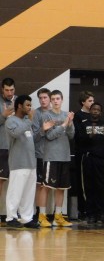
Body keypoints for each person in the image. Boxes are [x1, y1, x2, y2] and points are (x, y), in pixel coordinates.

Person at [39, 90, 75, 227]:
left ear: (62, 99)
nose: (55, 101)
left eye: (57, 98)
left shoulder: (66, 115)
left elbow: (71, 135)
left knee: (62, 188)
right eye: (53, 98)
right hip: (51, 157)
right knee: (46, 187)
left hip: (65, 156)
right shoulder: (46, 115)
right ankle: (42, 216)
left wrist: (70, 124)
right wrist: (64, 125)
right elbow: (49, 135)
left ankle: (58, 216)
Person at [76, 103, 104, 228]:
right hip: (87, 159)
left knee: (101, 188)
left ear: (101, 112)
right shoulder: (84, 124)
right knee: (87, 187)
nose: (95, 111)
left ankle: (101, 213)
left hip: (101, 160)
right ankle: (90, 213)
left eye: (98, 109)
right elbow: (78, 140)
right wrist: (89, 137)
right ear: (90, 111)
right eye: (93, 109)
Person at [4, 95, 37, 229]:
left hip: (31, 163)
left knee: (28, 193)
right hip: (18, 163)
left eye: (30, 105)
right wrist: (29, 121)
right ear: (19, 106)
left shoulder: (26, 121)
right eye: (27, 105)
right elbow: (16, 133)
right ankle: (11, 217)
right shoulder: (11, 121)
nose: (30, 108)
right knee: (15, 191)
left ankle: (26, 218)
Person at [31, 88, 54, 227]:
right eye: (40, 98)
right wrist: (42, 130)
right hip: (40, 155)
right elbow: (33, 137)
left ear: (50, 98)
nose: (43, 100)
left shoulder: (55, 113)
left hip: (53, 155)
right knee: (40, 185)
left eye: (45, 97)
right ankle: (39, 213)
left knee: (50, 185)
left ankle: (50, 213)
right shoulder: (36, 114)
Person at [73, 91, 94, 219]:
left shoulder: (96, 114)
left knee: (93, 182)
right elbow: (79, 134)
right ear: (83, 102)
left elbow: (102, 131)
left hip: (95, 153)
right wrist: (91, 132)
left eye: (93, 100)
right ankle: (82, 209)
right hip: (82, 153)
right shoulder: (78, 116)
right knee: (82, 182)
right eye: (90, 101)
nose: (92, 103)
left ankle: (93, 209)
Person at [0, 78, 16, 209]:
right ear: (2, 90)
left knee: (17, 183)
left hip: (17, 149)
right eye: (7, 90)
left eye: (11, 90)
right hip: (2, 147)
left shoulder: (20, 103)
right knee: (0, 181)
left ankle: (13, 214)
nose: (9, 93)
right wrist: (3, 116)